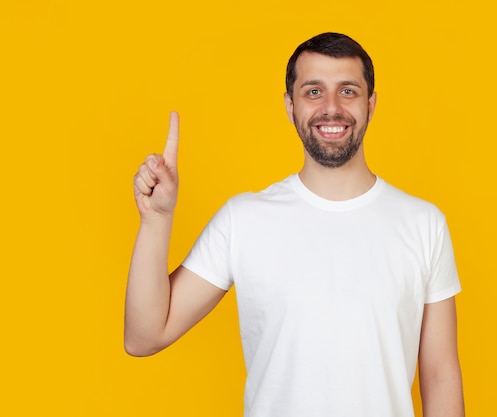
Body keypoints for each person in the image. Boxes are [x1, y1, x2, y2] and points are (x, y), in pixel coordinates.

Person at [125, 32, 465, 417]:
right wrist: (157, 220)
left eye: (348, 91)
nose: (332, 108)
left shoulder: (424, 225)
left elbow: (439, 376)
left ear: (371, 104)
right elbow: (144, 336)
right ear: (290, 105)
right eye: (314, 92)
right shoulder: (244, 220)